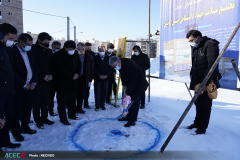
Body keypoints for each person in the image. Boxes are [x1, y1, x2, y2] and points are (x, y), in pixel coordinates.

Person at [186, 30, 221, 134]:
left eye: (192, 40)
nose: (191, 42)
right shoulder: (196, 47)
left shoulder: (210, 45)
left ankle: (202, 128)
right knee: (198, 103)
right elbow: (195, 65)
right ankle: (197, 123)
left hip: (207, 82)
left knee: (205, 105)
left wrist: (205, 82)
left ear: (198, 37)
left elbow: (212, 65)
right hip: (197, 82)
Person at [8, 33, 38, 141]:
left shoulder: (30, 52)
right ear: (21, 42)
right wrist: (23, 84)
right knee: (17, 110)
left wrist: (34, 82)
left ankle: (25, 127)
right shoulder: (11, 51)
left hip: (30, 86)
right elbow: (12, 70)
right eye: (28, 44)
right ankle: (16, 132)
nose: (30, 46)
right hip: (18, 87)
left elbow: (35, 67)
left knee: (27, 108)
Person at [109, 56, 148, 127]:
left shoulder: (130, 65)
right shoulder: (120, 65)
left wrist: (127, 93)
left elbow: (133, 81)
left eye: (115, 66)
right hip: (132, 84)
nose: (115, 68)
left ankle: (132, 120)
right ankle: (127, 117)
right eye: (113, 67)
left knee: (134, 102)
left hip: (139, 85)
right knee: (128, 102)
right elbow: (123, 76)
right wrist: (124, 85)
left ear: (118, 62)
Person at [0, 23, 21, 148]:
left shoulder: (5, 49)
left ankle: (5, 142)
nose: (12, 42)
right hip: (1, 93)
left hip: (9, 91)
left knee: (7, 118)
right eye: (11, 39)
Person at [32, 32, 54, 129]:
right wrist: (42, 76)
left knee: (46, 100)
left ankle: (44, 117)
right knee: (37, 102)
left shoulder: (49, 51)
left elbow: (52, 65)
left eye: (48, 42)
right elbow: (33, 66)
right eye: (45, 41)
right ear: (39, 40)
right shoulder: (33, 49)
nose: (47, 43)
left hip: (48, 80)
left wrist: (51, 75)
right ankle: (38, 120)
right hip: (37, 80)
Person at [55, 40, 80, 125]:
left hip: (73, 81)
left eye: (73, 48)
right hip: (62, 82)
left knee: (72, 99)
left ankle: (71, 114)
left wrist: (77, 73)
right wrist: (70, 76)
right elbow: (59, 68)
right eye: (70, 48)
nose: (71, 50)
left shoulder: (75, 53)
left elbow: (79, 64)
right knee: (62, 102)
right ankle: (63, 118)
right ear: (65, 48)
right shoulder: (58, 55)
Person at [76, 42, 94, 113]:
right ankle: (73, 108)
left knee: (82, 93)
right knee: (74, 94)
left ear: (83, 49)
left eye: (80, 48)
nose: (79, 50)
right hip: (75, 77)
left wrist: (90, 79)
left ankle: (79, 108)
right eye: (78, 48)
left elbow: (92, 69)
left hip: (84, 77)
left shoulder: (89, 57)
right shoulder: (74, 56)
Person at [94, 45, 113, 111]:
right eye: (100, 50)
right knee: (97, 92)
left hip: (106, 78)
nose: (102, 51)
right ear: (98, 51)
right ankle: (97, 105)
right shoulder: (95, 58)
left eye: (103, 50)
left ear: (105, 50)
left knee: (104, 91)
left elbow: (111, 68)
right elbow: (94, 68)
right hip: (97, 78)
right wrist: (99, 75)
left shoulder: (108, 58)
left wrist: (106, 75)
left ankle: (102, 104)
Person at [48, 41, 61, 116]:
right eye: (56, 48)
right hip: (51, 79)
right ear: (52, 47)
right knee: (51, 97)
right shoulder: (49, 55)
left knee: (60, 96)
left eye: (59, 48)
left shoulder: (61, 55)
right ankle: (50, 110)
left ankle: (60, 109)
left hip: (59, 79)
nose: (58, 50)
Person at [83, 42, 95, 109]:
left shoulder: (92, 54)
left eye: (90, 46)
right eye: (87, 46)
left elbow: (93, 66)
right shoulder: (81, 53)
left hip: (89, 77)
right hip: (82, 76)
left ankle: (86, 104)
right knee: (80, 91)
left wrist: (91, 77)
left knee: (87, 91)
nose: (89, 48)